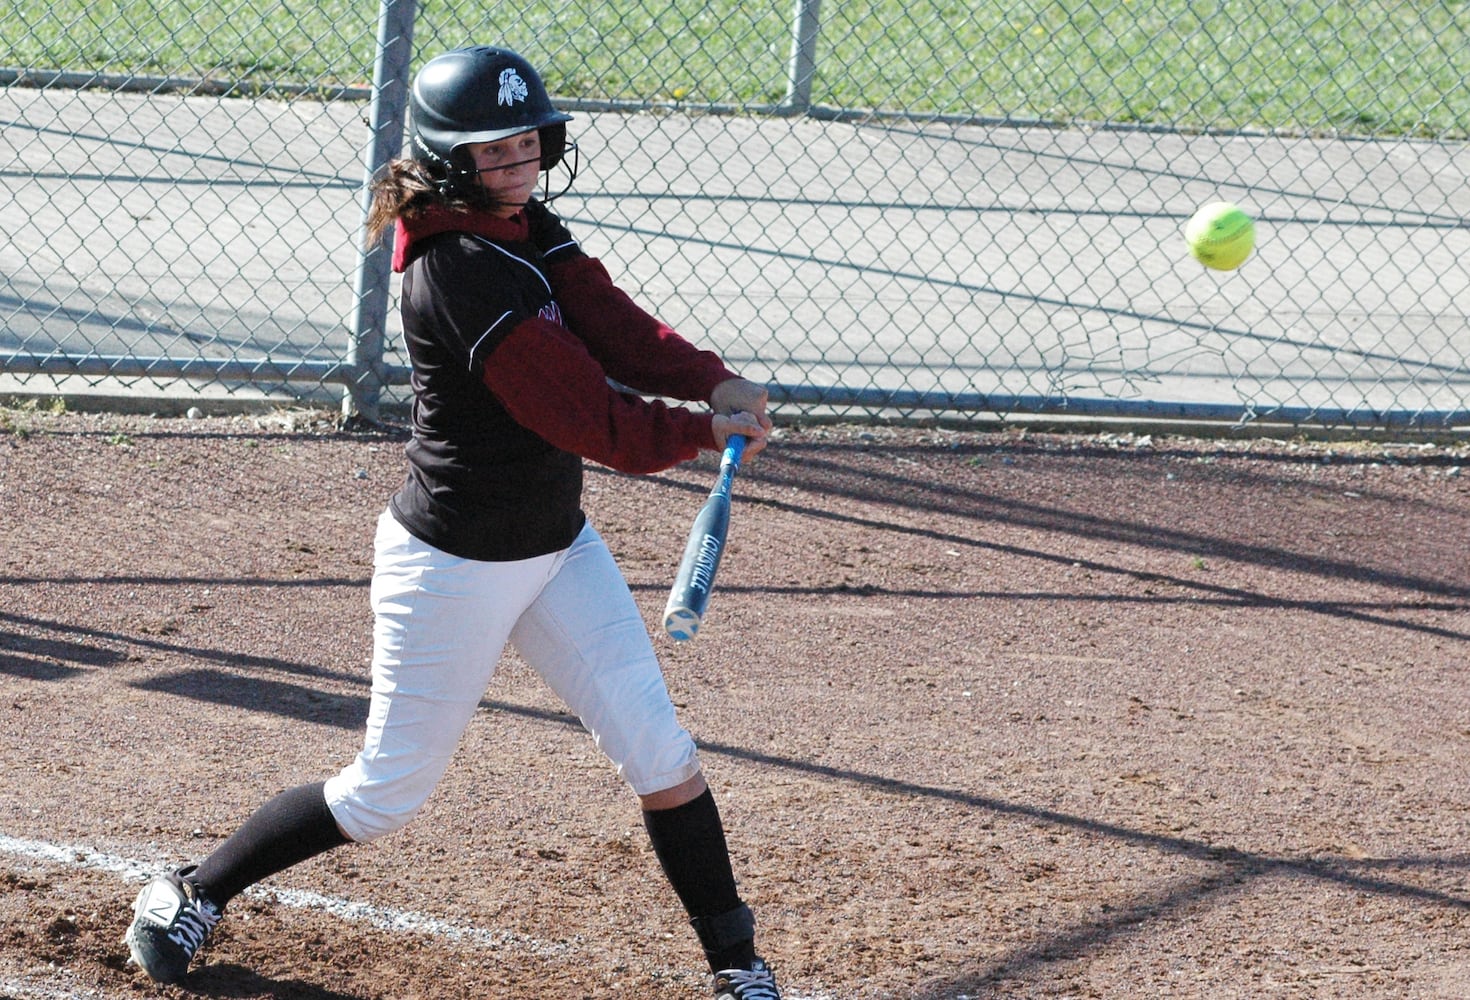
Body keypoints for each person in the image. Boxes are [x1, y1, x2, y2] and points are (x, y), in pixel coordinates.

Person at [123, 44, 782, 1000]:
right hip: (454, 565)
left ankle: (738, 968)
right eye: (492, 150)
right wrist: (696, 431)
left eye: (527, 142)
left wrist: (709, 378)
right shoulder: (456, 272)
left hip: (557, 550)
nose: (518, 164)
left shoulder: (519, 224)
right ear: (446, 162)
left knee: (661, 753)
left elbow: (607, 317)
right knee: (384, 794)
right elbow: (587, 418)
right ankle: (193, 889)